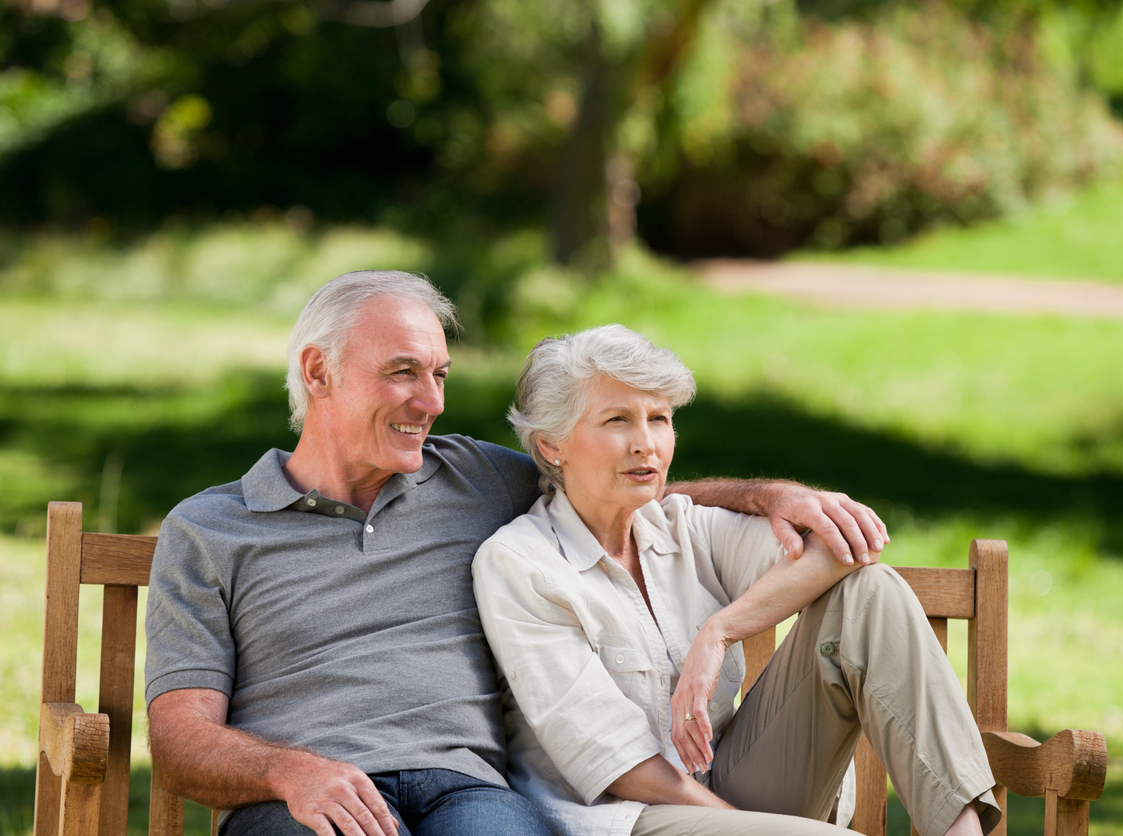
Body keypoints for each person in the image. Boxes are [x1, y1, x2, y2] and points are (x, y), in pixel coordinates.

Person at [144, 270, 891, 836]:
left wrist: (769, 496)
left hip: (466, 792)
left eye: (438, 374)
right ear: (318, 373)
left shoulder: (472, 477)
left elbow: (613, 476)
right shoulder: (212, 530)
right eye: (403, 371)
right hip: (301, 802)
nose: (432, 401)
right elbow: (180, 744)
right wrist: (287, 770)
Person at [471, 324, 1002, 836]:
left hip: (732, 788)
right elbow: (622, 769)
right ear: (550, 446)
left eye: (658, 418)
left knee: (872, 592)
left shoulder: (683, 527)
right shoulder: (520, 565)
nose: (646, 444)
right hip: (630, 816)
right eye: (616, 421)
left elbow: (841, 549)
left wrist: (719, 631)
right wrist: (747, 829)